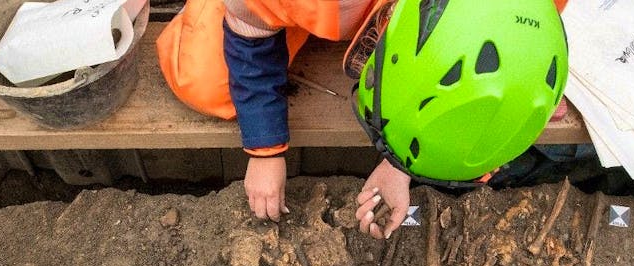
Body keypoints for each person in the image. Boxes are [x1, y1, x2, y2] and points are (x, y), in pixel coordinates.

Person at [157, 0, 568, 237]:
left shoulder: (532, 11)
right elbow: (248, 33)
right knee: (205, 84)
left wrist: (399, 163)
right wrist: (265, 149)